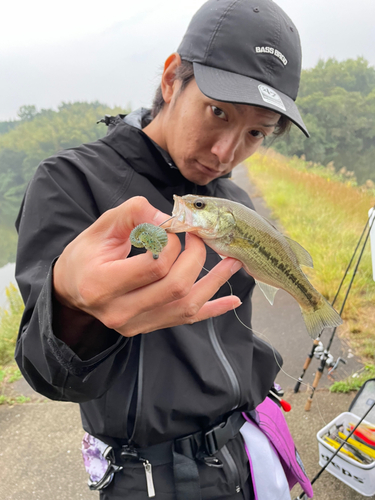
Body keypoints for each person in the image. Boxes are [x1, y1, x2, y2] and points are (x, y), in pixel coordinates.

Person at [15, 1, 312, 499]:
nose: (224, 153)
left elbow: (233, 331)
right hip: (153, 476)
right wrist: (70, 306)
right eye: (218, 112)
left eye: (255, 133)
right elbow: (51, 374)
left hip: (248, 449)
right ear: (173, 78)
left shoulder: (233, 203)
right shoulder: (69, 182)